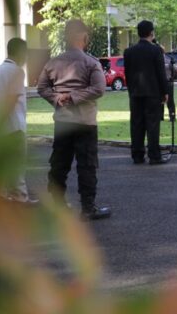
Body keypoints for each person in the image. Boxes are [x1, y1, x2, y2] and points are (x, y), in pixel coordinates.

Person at [37, 20, 110, 220]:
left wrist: (57, 98)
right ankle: (88, 207)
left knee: (59, 164)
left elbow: (42, 88)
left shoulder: (53, 63)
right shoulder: (91, 63)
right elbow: (99, 89)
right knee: (87, 165)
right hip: (85, 121)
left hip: (63, 120)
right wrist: (74, 97)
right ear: (84, 37)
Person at [0, 38, 37, 204]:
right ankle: (20, 199)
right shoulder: (17, 72)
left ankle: (1, 200)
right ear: (21, 52)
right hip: (15, 126)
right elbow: (12, 99)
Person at [124, 20, 169, 165]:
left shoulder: (129, 51)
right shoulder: (155, 50)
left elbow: (127, 74)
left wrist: (131, 91)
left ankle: (137, 155)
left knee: (136, 124)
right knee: (153, 125)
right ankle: (154, 155)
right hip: (152, 93)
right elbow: (161, 73)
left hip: (135, 93)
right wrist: (165, 91)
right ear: (151, 32)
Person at [158, 43, 176, 122]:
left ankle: (172, 116)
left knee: (170, 100)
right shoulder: (155, 60)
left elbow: (175, 70)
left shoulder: (168, 59)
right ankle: (160, 116)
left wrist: (171, 78)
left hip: (168, 82)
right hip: (159, 83)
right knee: (160, 100)